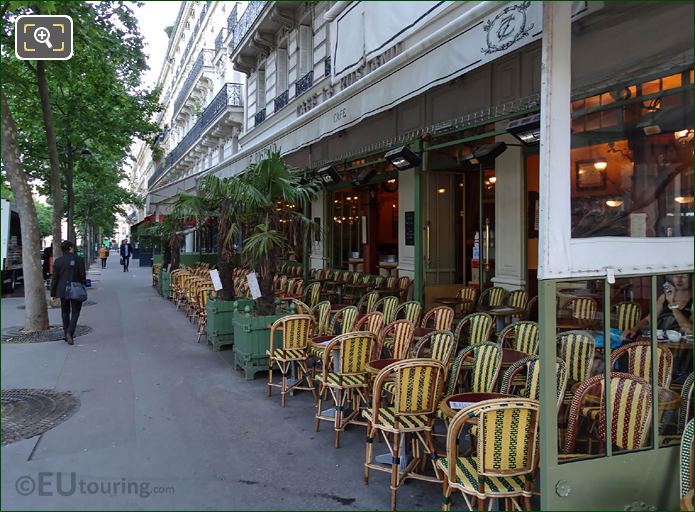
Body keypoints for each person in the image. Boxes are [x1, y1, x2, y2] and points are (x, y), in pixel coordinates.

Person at [622, 273, 693, 339]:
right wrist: (634, 329)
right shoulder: (664, 297)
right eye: (676, 276)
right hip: (661, 341)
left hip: (681, 346)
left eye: (684, 276)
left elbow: (689, 330)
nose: (679, 280)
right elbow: (649, 319)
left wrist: (672, 304)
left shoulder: (692, 302)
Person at [50, 240, 86, 345]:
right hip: (75, 288)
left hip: (62, 290)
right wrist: (82, 283)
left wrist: (53, 294)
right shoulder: (79, 259)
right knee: (76, 312)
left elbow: (55, 279)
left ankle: (66, 333)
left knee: (65, 312)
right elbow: (82, 274)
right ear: (71, 248)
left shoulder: (58, 261)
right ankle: (70, 332)